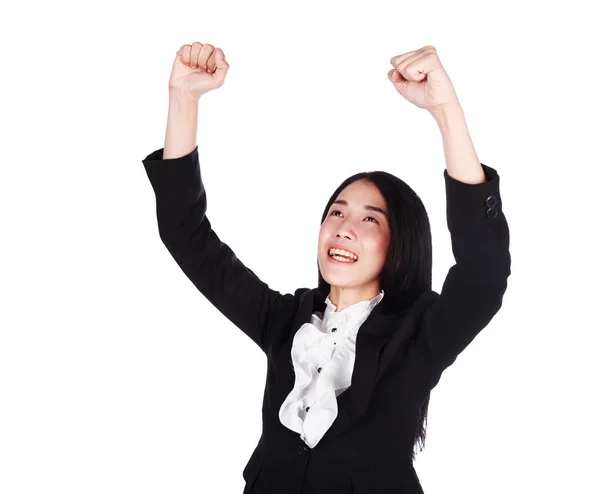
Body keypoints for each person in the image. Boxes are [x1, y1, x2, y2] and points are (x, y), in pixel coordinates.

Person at [142, 41, 511, 494]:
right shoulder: (283, 321)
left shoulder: (419, 336)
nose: (344, 227)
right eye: (337, 212)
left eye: (370, 219)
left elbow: (484, 273)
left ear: (402, 243)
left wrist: (445, 110)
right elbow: (186, 235)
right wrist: (183, 98)